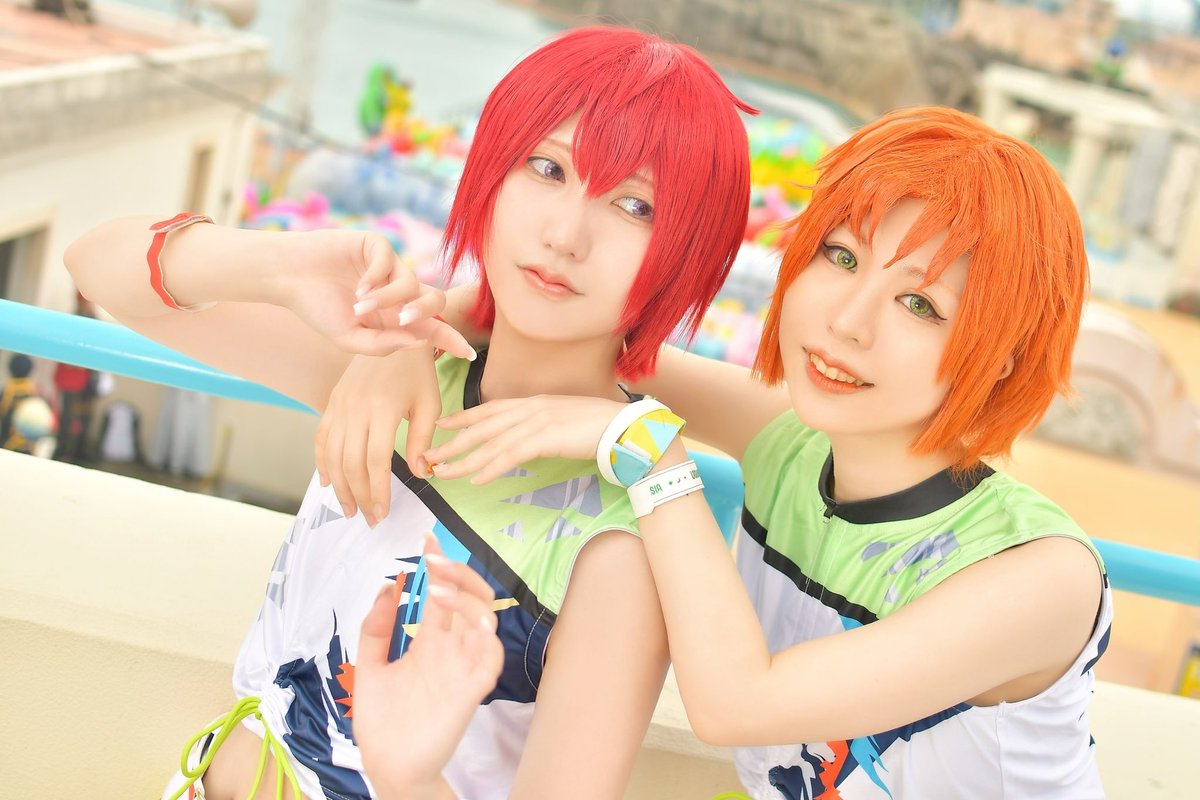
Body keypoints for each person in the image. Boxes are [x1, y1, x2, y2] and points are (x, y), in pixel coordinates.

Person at [321, 106, 1110, 798]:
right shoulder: (793, 445)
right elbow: (573, 330)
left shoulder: (1040, 577)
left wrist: (651, 456)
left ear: (1002, 357)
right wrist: (404, 345)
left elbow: (735, 703)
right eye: (841, 257)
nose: (849, 321)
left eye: (919, 303)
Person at [64, 25, 753, 800]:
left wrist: (410, 777)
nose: (566, 235)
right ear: (492, 169)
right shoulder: (393, 371)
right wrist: (280, 264)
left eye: (634, 205)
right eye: (547, 167)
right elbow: (98, 266)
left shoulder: (617, 545)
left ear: (689, 251)